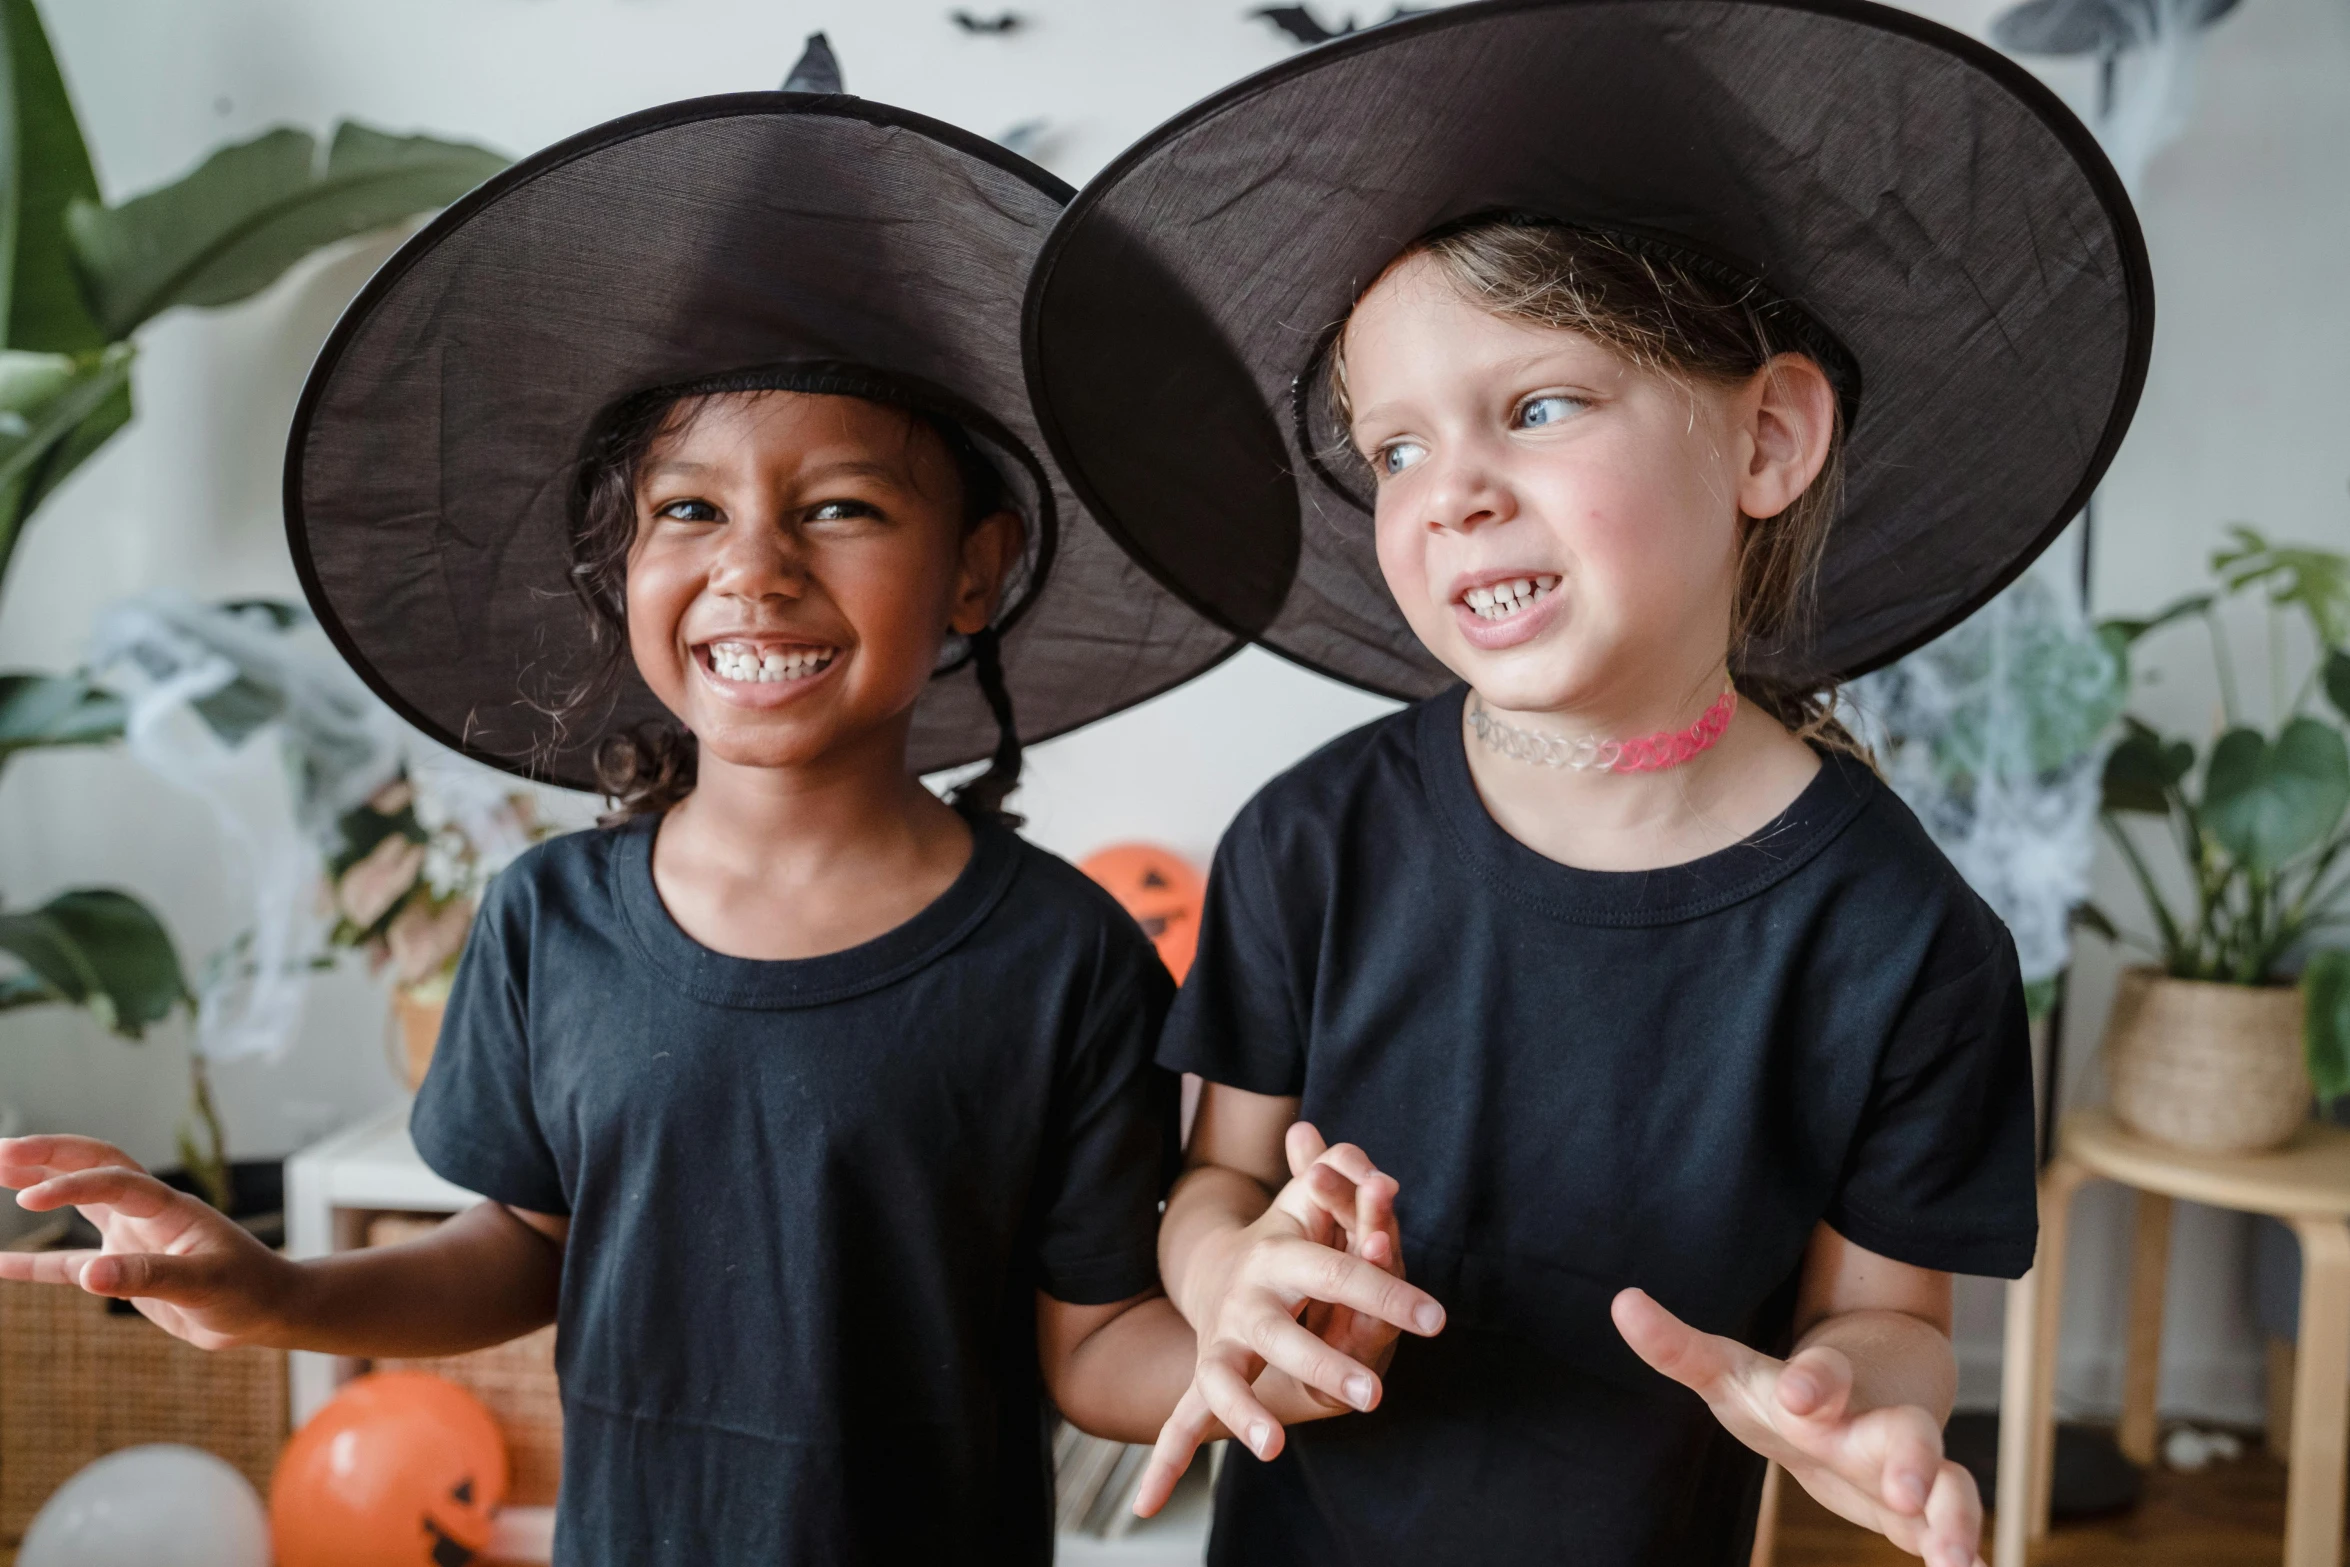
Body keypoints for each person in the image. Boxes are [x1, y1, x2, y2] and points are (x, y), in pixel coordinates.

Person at [0, 94, 1436, 1565]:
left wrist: (1235, 1356)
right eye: (687, 508)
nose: (752, 566)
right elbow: (524, 1252)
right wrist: (279, 1291)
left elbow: (1091, 1346)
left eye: (839, 508)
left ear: (973, 571)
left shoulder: (1063, 957)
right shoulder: (545, 920)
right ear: (621, 562)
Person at [1022, 3, 2152, 1563]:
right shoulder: (1310, 844)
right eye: (1394, 450)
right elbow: (1215, 1180)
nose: (1454, 492)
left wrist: (1852, 1397)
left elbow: (1887, 1314)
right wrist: (1231, 1277)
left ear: (1764, 438)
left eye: (1537, 407)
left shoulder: (1900, 940)